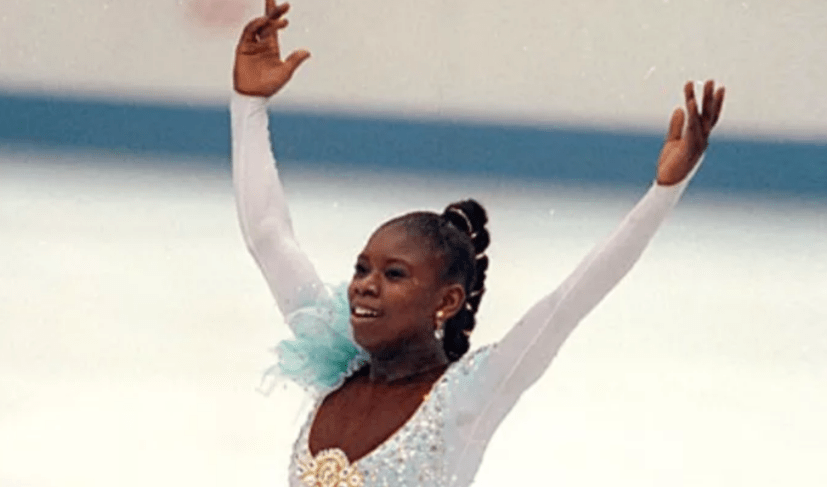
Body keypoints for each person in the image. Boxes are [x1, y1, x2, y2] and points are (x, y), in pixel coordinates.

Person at [231, 2, 726, 486]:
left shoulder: (469, 396)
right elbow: (268, 237)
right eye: (362, 269)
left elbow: (569, 303)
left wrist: (664, 193)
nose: (364, 286)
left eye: (394, 274)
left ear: (447, 301)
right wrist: (248, 104)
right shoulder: (334, 363)